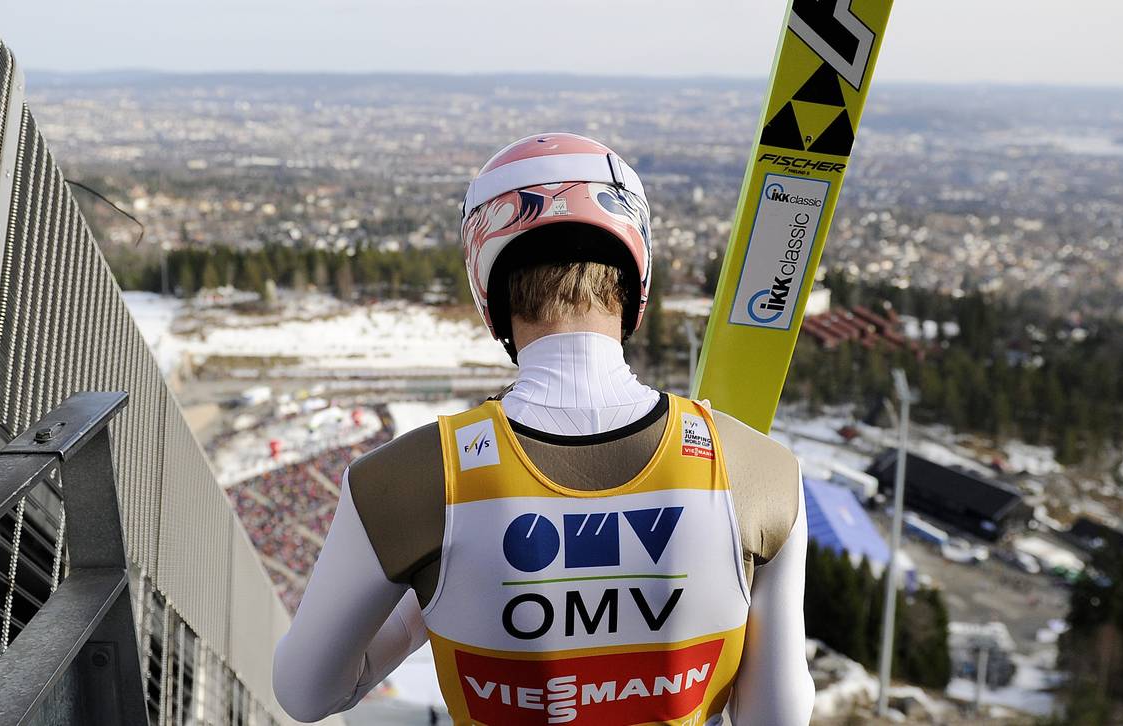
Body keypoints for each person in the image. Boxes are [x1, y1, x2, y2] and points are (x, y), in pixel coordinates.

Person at [273, 133, 813, 725]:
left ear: (491, 295)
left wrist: (427, 606)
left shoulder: (406, 481)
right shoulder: (764, 473)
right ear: (636, 281)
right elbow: (776, 718)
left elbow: (306, 693)